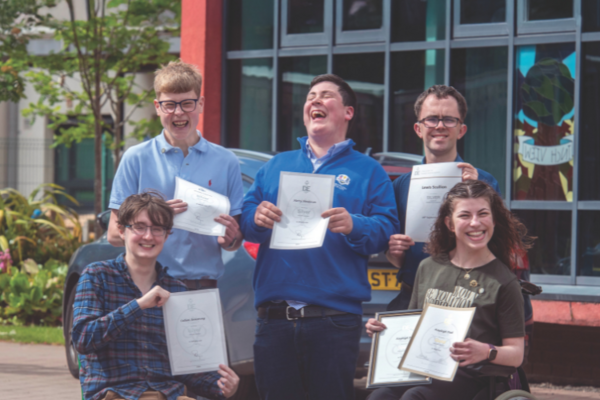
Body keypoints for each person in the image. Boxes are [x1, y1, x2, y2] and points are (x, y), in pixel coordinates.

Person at [240, 74, 399, 400]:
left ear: (348, 112)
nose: (314, 101)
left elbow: (385, 230)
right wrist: (256, 218)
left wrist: (355, 225)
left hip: (334, 320)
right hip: (274, 319)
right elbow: (245, 220)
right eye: (310, 96)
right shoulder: (276, 166)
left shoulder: (368, 171)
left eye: (325, 96)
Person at [366, 179, 533, 400]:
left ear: (493, 220)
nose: (475, 223)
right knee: (379, 397)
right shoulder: (428, 267)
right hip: (425, 370)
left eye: (483, 214)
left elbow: (516, 355)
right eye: (464, 215)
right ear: (450, 223)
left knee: (415, 397)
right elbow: (413, 328)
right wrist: (384, 330)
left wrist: (486, 351)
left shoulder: (504, 282)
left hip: (474, 377)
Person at [72, 192, 240, 400]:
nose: (149, 236)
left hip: (168, 393)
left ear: (167, 235)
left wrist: (221, 386)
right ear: (122, 230)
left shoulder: (176, 291)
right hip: (115, 393)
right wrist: (139, 305)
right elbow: (83, 339)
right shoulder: (97, 276)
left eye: (157, 228)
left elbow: (188, 368)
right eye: (139, 227)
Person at [107, 60, 244, 290]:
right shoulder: (136, 158)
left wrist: (230, 238)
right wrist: (157, 219)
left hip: (203, 286)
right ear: (157, 107)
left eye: (187, 103)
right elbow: (113, 233)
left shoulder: (226, 162)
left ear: (200, 104)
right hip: (146, 286)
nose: (179, 112)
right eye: (169, 105)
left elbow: (233, 242)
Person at [387, 85, 501, 311]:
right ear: (418, 129)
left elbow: (498, 246)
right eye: (431, 119)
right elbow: (395, 257)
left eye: (449, 119)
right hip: (413, 298)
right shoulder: (400, 186)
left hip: (467, 300)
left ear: (461, 130)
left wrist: (475, 191)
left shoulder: (484, 182)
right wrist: (394, 252)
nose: (439, 126)